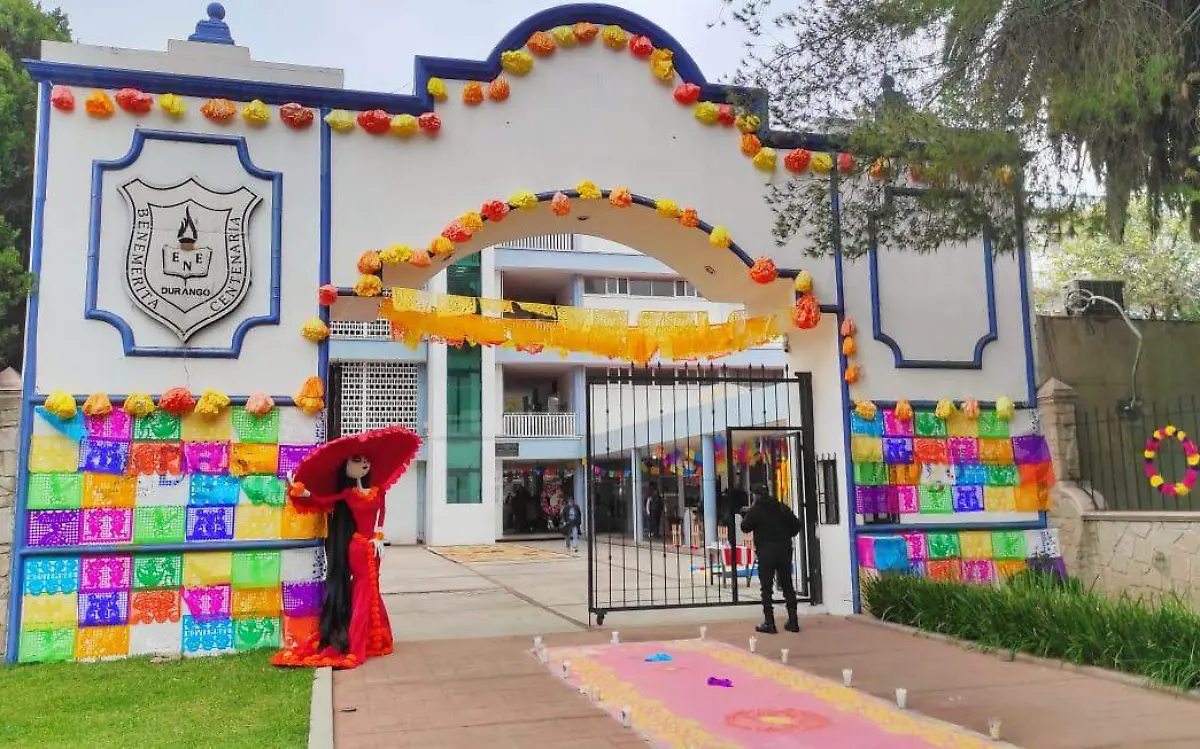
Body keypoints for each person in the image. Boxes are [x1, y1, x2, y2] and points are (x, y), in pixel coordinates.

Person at [273, 426, 421, 670]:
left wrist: (380, 535)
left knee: (372, 590)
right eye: (356, 460)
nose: (363, 464)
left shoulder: (378, 491)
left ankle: (377, 637)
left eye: (365, 460)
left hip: (374, 546)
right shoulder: (349, 494)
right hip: (357, 548)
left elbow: (382, 514)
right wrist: (303, 491)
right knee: (363, 592)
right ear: (346, 468)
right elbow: (323, 500)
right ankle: (357, 646)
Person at [739, 487, 802, 635]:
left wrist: (746, 515)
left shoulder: (756, 510)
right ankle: (793, 621)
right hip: (784, 551)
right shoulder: (781, 507)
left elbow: (744, 527)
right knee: (788, 586)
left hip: (766, 553)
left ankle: (769, 622)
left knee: (766, 589)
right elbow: (796, 526)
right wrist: (785, 535)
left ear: (756, 496)